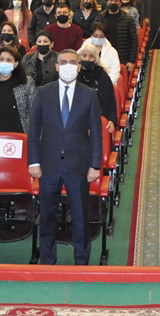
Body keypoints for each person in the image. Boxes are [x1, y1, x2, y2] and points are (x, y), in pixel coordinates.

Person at [28, 49, 103, 265]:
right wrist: (33, 161)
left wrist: (95, 165)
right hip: (48, 164)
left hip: (78, 165)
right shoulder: (43, 92)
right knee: (47, 216)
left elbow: (96, 133)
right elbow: (34, 130)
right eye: (63, 62)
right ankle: (47, 261)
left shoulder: (89, 94)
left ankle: (81, 261)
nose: (68, 66)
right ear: (57, 66)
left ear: (78, 67)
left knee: (80, 216)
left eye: (72, 62)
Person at [78, 44, 118, 134]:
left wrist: (111, 120)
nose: (87, 59)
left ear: (96, 59)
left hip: (99, 118)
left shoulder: (102, 75)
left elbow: (110, 100)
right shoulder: (74, 75)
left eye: (91, 56)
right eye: (84, 56)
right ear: (79, 57)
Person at [100, 0, 138, 73]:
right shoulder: (100, 17)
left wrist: (131, 60)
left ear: (120, 3)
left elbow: (133, 40)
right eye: (111, 0)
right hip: (104, 56)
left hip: (122, 57)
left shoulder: (128, 19)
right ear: (107, 2)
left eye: (116, 1)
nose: (113, 2)